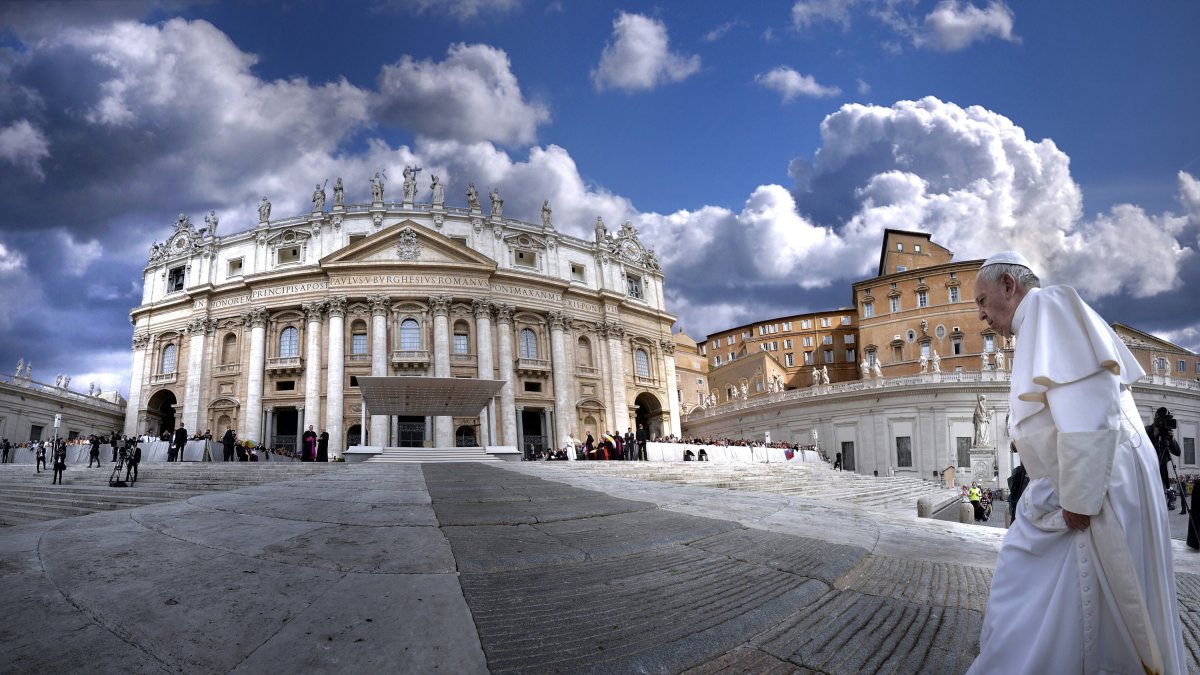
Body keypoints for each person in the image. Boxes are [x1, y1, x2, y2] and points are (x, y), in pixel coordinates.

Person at [967, 251, 1185, 674]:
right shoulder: (1035, 324)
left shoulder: (1050, 305)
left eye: (981, 301)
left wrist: (1080, 498)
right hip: (1077, 480)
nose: (981, 315)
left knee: (1084, 598)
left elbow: (1090, 405)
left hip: (1097, 482)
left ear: (1009, 286)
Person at [1146, 407, 1181, 510]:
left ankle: (1169, 501)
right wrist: (1154, 435)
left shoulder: (1167, 432)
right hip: (1150, 471)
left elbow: (1178, 452)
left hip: (1163, 475)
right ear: (1155, 417)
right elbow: (1143, 450)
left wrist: (1172, 439)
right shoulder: (1147, 430)